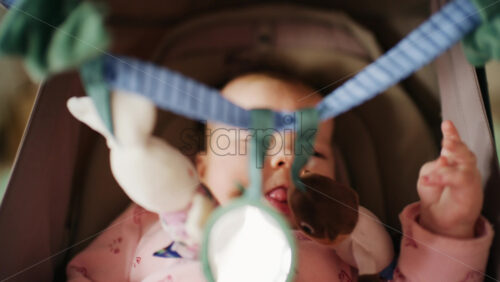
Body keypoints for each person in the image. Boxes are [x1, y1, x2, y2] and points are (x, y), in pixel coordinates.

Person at [67, 73, 493, 282]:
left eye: (314, 151)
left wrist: (446, 227)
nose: (286, 160)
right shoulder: (157, 212)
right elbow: (87, 273)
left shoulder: (344, 241)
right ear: (200, 168)